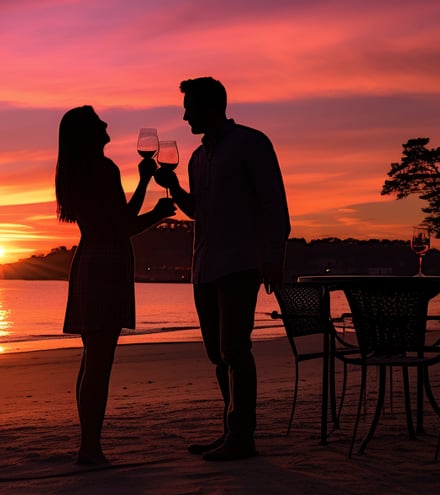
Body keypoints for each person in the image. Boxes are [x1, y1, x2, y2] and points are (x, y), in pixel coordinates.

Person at [153, 77, 291, 461]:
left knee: (235, 348)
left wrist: (273, 258)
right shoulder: (198, 158)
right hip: (205, 267)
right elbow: (198, 211)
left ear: (210, 105)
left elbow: (274, 203)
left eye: (189, 106)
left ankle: (242, 435)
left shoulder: (251, 143)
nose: (184, 115)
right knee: (217, 354)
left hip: (240, 264)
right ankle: (231, 429)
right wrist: (175, 187)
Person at [56, 105, 177, 466]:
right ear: (89, 133)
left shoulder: (76, 170)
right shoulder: (102, 168)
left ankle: (88, 444)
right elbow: (122, 225)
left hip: (89, 258)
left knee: (91, 357)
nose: (107, 124)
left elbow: (114, 220)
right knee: (100, 361)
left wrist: (142, 183)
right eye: (98, 122)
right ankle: (90, 448)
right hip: (106, 264)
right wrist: (156, 211)